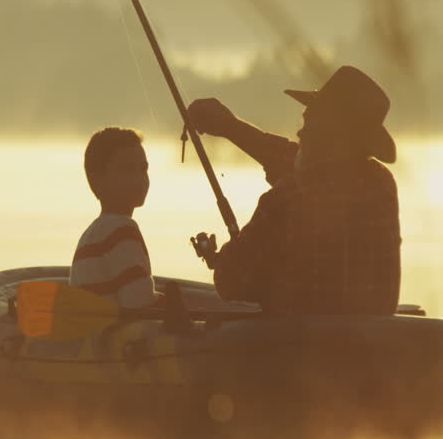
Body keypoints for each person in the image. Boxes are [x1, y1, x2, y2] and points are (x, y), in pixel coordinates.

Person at [187, 66, 400, 315]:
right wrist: (231, 127)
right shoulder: (380, 184)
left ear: (330, 134)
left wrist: (224, 259)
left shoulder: (286, 198)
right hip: (372, 345)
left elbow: (232, 283)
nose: (300, 132)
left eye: (309, 123)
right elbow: (302, 165)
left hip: (299, 348)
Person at [68, 127, 162, 308]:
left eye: (143, 168)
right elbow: (140, 305)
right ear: (97, 180)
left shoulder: (94, 233)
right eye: (127, 170)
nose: (139, 178)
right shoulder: (121, 231)